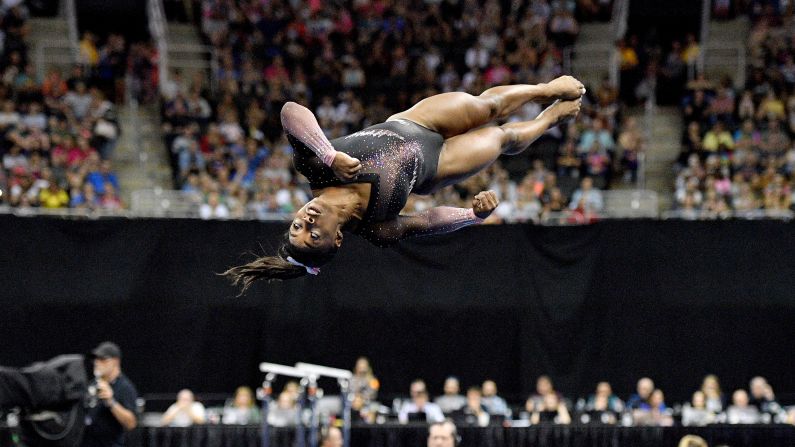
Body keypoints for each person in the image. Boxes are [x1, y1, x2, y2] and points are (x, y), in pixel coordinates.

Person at [223, 77, 585, 290]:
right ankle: (549, 118)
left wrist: (329, 153)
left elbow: (291, 112)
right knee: (501, 138)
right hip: (436, 167)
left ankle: (544, 89)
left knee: (487, 106)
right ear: (336, 239)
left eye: (298, 225)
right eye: (314, 235)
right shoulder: (377, 228)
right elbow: (426, 222)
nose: (309, 220)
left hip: (415, 123)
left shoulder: (318, 170)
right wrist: (471, 215)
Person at [82, 342, 138, 447]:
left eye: (103, 359)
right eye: (96, 359)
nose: (97, 363)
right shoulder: (93, 384)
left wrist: (111, 402)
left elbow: (131, 423)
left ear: (115, 362)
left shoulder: (124, 387)